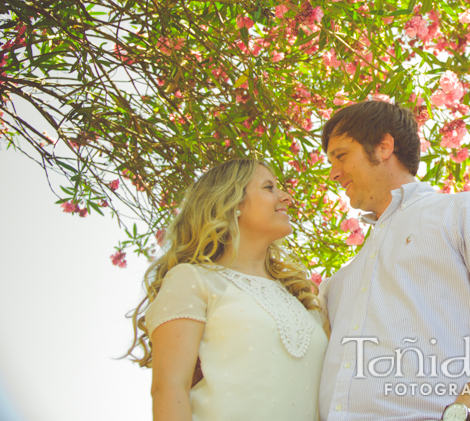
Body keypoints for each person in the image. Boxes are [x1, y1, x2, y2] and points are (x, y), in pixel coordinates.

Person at [318, 100, 470, 421]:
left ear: (384, 147)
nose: (333, 173)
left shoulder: (462, 212)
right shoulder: (341, 281)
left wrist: (464, 416)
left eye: (341, 156)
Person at [126, 158, 327, 421]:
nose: (286, 197)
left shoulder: (302, 301)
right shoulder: (192, 279)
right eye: (269, 187)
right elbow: (169, 389)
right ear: (231, 203)